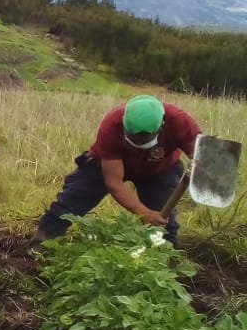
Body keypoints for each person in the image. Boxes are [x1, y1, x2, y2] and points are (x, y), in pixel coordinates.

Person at [34, 94, 200, 243]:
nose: (140, 144)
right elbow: (114, 182)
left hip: (160, 169)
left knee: (163, 222)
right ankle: (42, 244)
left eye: (145, 141)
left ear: (162, 126)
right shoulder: (112, 125)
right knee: (71, 202)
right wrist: (143, 212)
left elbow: (203, 156)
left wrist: (198, 163)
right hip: (107, 164)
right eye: (135, 141)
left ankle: (163, 262)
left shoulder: (179, 121)